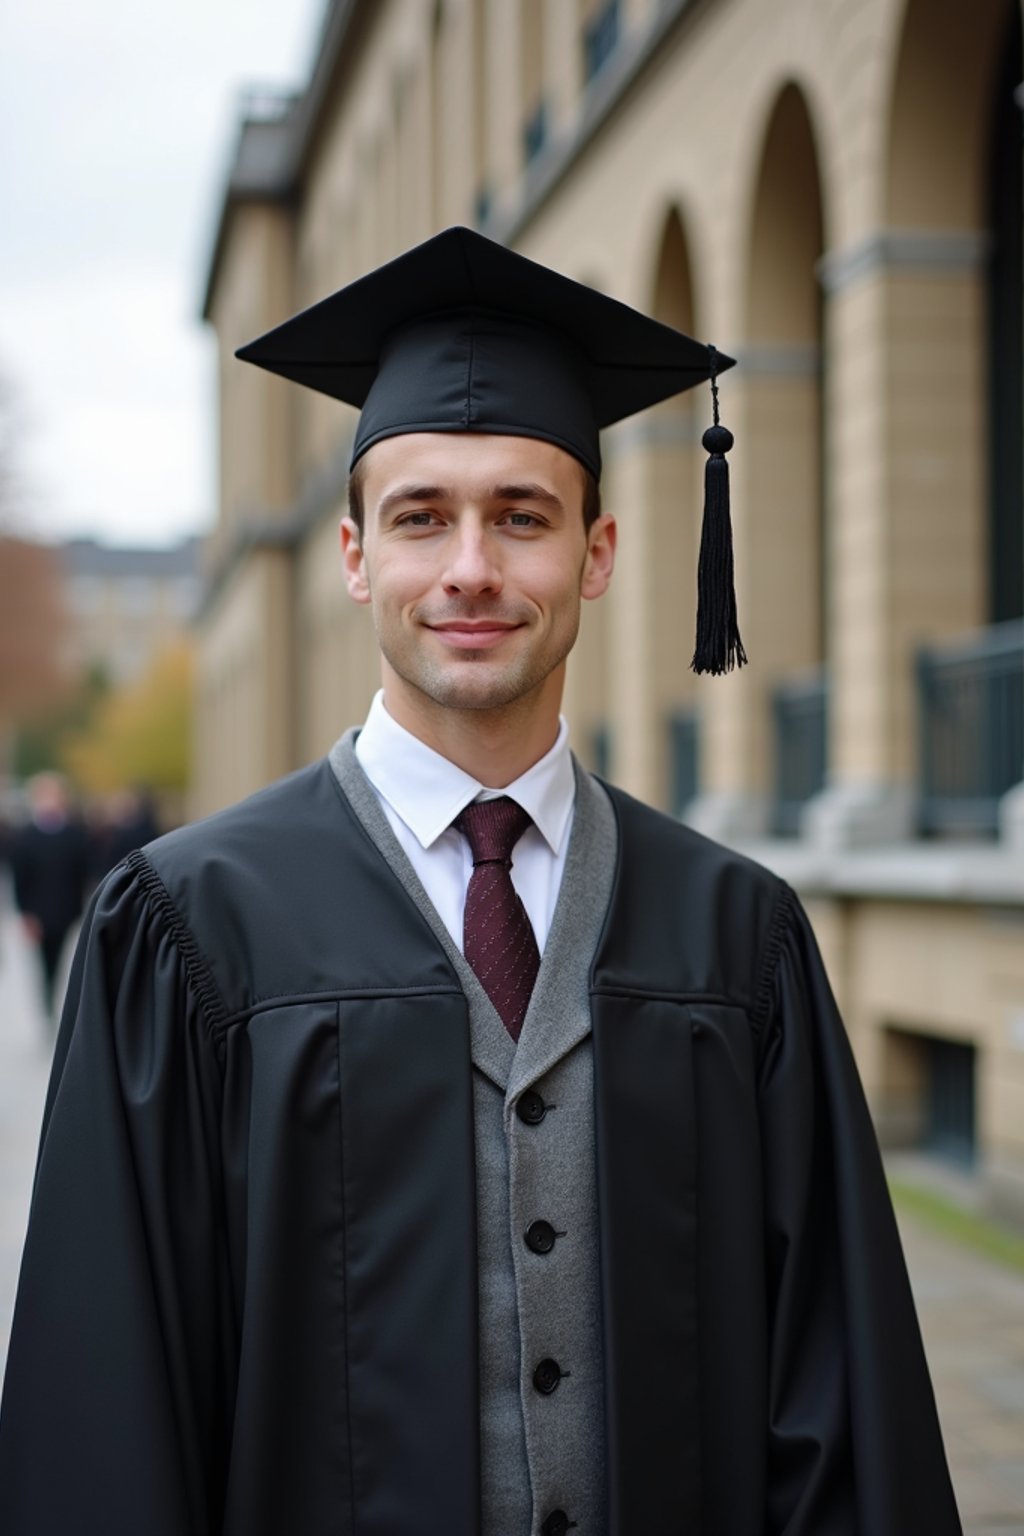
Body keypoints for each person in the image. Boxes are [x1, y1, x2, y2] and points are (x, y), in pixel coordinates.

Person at [0, 228, 961, 1535]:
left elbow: (836, 1408)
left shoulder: (736, 938)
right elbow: (110, 1412)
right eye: (420, 518)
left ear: (600, 554)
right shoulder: (189, 929)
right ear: (353, 557)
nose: (470, 568)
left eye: (521, 515)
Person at [8, 771, 89, 1021]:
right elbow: (20, 878)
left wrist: (80, 908)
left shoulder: (74, 834)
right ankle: (46, 1001)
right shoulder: (26, 836)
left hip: (65, 909)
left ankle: (53, 996)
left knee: (59, 958)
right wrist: (25, 913)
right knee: (44, 961)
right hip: (38, 911)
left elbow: (82, 874)